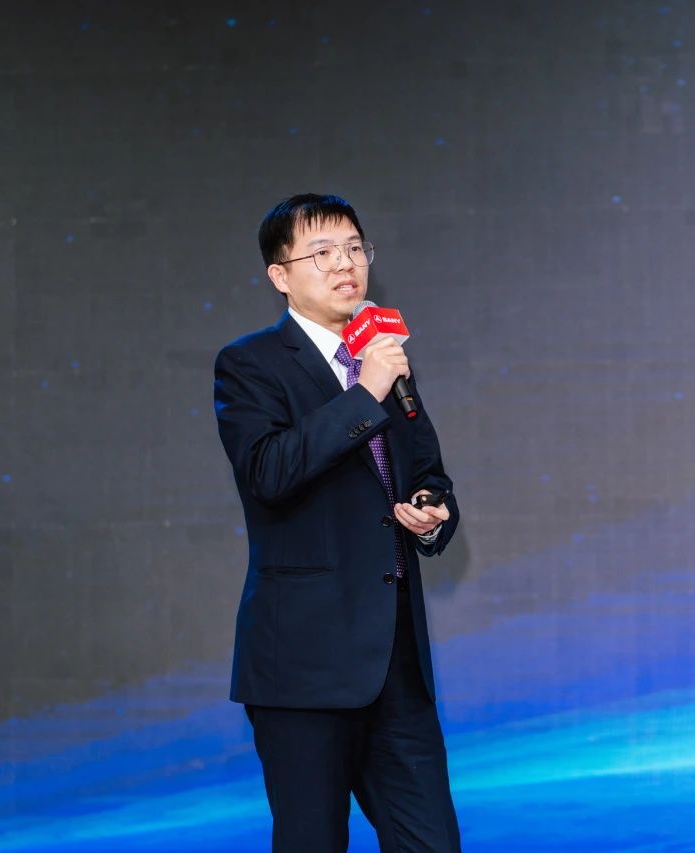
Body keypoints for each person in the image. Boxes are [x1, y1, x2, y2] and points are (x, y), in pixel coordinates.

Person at [213, 193, 462, 851]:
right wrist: (365, 391)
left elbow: (428, 470)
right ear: (280, 275)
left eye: (355, 248)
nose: (345, 264)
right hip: (304, 664)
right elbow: (270, 472)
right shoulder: (251, 364)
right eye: (322, 253)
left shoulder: (383, 355)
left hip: (396, 664)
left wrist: (432, 512)